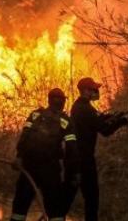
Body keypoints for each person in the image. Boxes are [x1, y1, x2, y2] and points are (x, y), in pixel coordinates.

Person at [10, 88, 79, 221]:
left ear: (49, 100)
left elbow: (24, 137)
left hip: (29, 167)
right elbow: (72, 150)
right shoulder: (65, 121)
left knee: (20, 204)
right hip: (50, 169)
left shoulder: (35, 115)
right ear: (63, 102)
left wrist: (19, 157)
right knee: (55, 208)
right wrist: (74, 172)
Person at [67, 77, 128, 221]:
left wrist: (116, 115)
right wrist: (122, 121)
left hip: (76, 160)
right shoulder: (85, 109)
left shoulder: (80, 106)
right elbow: (105, 130)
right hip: (84, 161)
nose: (96, 91)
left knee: (70, 197)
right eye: (93, 89)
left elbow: (99, 119)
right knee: (91, 198)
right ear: (85, 91)